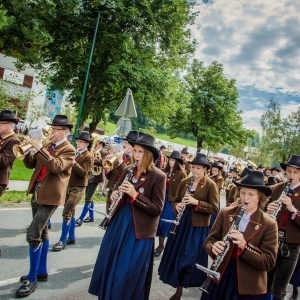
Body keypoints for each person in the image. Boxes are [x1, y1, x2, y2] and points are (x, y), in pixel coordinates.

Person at [88, 133, 166, 300]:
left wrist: (136, 195)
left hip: (138, 230)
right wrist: (115, 195)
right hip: (119, 223)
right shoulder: (127, 170)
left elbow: (157, 209)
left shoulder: (158, 176)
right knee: (109, 263)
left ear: (149, 154)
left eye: (140, 152)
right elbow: (117, 192)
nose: (135, 155)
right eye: (135, 151)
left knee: (126, 271)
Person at [15, 115, 75, 297]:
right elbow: (33, 164)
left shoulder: (69, 150)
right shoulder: (49, 145)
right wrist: (26, 151)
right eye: (52, 129)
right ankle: (41, 271)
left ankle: (32, 278)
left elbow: (56, 167)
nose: (52, 132)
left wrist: (40, 147)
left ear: (65, 131)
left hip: (51, 195)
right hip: (37, 191)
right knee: (42, 232)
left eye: (56, 130)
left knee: (33, 233)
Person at [200, 171, 278, 300]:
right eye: (242, 193)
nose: (245, 198)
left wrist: (244, 247)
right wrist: (213, 247)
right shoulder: (226, 213)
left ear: (260, 197)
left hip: (248, 285)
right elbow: (209, 240)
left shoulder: (269, 224)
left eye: (251, 194)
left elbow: (268, 262)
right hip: (222, 275)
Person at [158, 153, 219, 300]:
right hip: (182, 223)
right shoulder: (185, 181)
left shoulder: (210, 184)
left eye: (198, 168)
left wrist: (196, 203)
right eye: (193, 167)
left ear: (205, 169)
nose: (195, 170)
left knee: (189, 257)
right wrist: (177, 205)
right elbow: (175, 201)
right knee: (177, 254)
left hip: (197, 227)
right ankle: (177, 288)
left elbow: (214, 208)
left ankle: (183, 287)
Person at [267, 154, 300, 300]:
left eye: (295, 172)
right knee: (265, 282)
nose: (291, 175)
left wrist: (293, 209)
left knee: (279, 287)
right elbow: (259, 214)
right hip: (272, 239)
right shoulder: (275, 188)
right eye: (289, 171)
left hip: (291, 245)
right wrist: (267, 209)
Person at [52, 131, 92, 251]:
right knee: (72, 212)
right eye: (78, 141)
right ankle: (72, 237)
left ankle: (62, 240)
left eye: (81, 142)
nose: (78, 143)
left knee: (67, 211)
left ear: (87, 144)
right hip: (69, 184)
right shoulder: (75, 152)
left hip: (79, 187)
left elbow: (84, 172)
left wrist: (73, 162)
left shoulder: (89, 156)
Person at [155, 150, 187, 257]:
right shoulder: (165, 170)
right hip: (162, 198)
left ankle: (162, 245)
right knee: (157, 221)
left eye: (173, 160)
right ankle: (157, 244)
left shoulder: (182, 173)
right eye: (170, 160)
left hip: (172, 201)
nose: (170, 162)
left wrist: (180, 202)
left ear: (177, 161)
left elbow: (184, 189)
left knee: (165, 222)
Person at [102, 130, 142, 214]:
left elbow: (129, 173)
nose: (125, 145)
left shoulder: (136, 159)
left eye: (128, 144)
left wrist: (120, 161)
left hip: (122, 189)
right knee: (107, 212)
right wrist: (108, 167)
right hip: (113, 187)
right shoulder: (121, 155)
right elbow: (111, 172)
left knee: (114, 215)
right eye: (125, 143)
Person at [76, 135, 108, 226]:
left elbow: (104, 163)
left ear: (101, 144)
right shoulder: (91, 152)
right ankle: (91, 216)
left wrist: (92, 159)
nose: (96, 145)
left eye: (97, 144)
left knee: (88, 199)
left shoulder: (104, 153)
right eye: (95, 143)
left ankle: (81, 218)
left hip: (96, 177)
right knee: (90, 197)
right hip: (88, 176)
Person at [0, 110, 20, 197]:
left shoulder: (14, 141)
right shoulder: (2, 137)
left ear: (10, 124)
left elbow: (3, 161)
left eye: (1, 123)